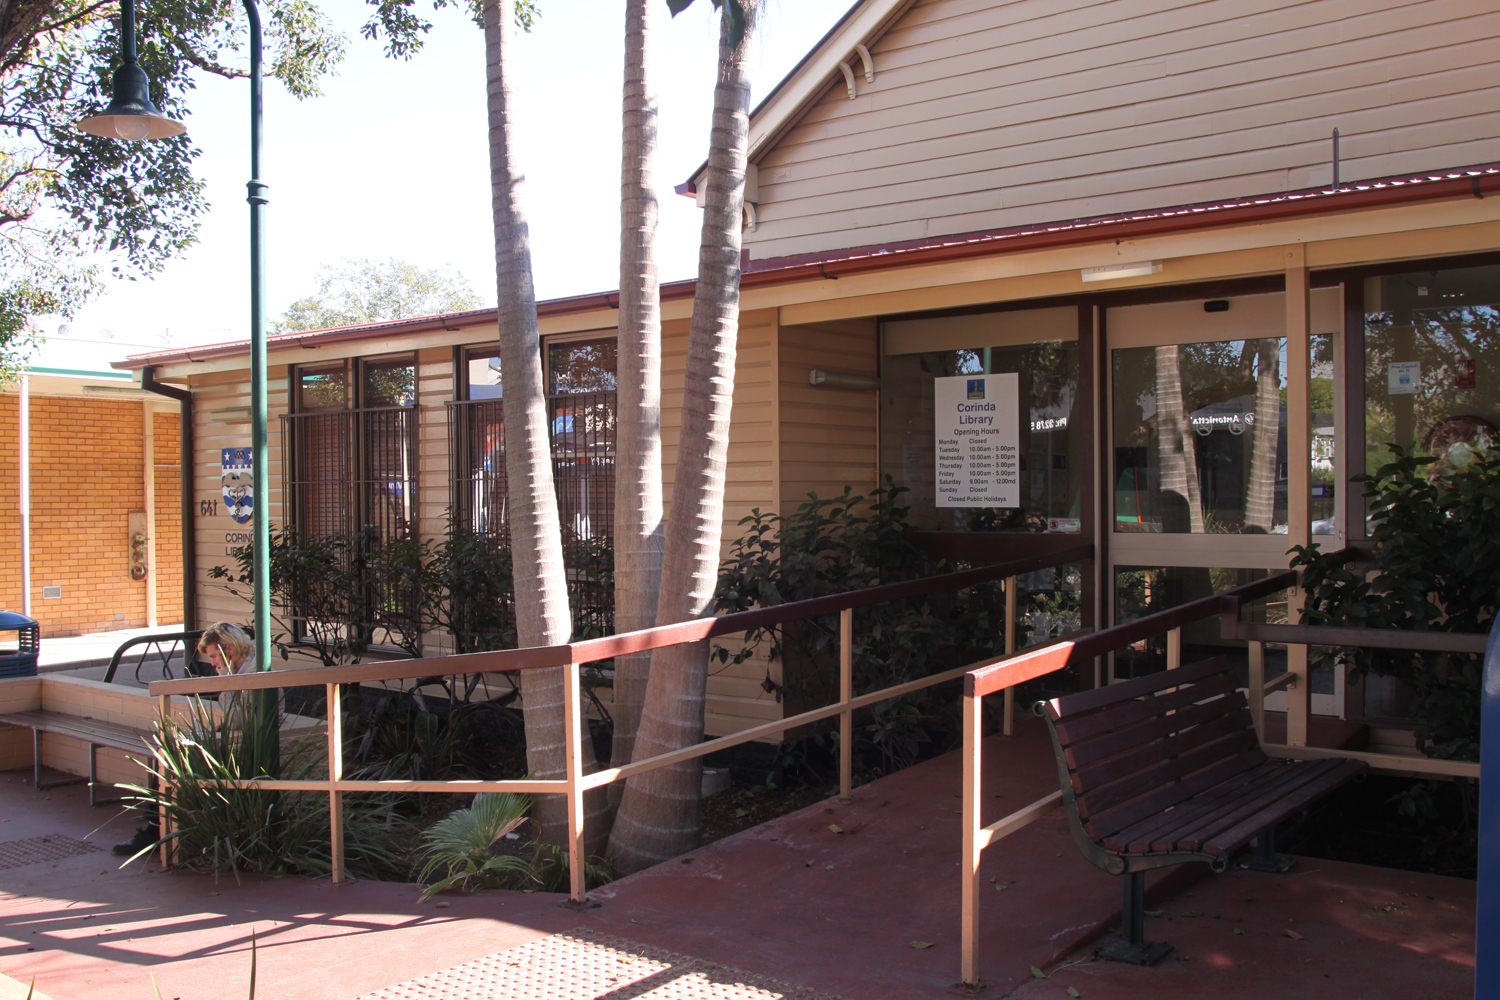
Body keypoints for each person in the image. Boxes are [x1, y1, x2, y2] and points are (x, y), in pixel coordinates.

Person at [113, 623, 256, 856]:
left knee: (176, 756)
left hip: (245, 747)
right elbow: (236, 717)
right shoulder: (234, 672)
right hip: (234, 739)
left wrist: (226, 683)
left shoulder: (252, 673)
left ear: (229, 649)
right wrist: (221, 725)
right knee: (170, 749)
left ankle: (154, 830)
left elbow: (246, 719)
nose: (213, 664)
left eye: (214, 656)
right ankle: (155, 827)